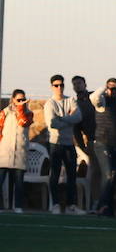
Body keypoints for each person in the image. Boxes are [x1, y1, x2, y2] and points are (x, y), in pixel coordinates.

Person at [43, 74, 83, 214]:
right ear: (52, 87)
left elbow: (78, 117)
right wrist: (69, 118)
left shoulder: (71, 100)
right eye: (56, 85)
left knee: (72, 175)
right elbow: (51, 124)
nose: (59, 88)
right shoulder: (50, 104)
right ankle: (55, 205)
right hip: (55, 143)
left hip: (69, 143)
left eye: (61, 85)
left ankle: (72, 205)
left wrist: (62, 118)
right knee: (54, 174)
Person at [91, 77, 116, 217]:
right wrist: (104, 88)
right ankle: (102, 205)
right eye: (111, 89)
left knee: (114, 176)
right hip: (102, 143)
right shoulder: (102, 103)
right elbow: (93, 97)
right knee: (108, 174)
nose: (114, 91)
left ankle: (108, 207)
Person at [0, 90, 33, 212]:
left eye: (23, 99)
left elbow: (23, 122)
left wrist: (21, 108)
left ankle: (18, 206)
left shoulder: (28, 113)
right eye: (18, 100)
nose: (21, 102)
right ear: (13, 99)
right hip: (4, 152)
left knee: (19, 182)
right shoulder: (4, 112)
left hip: (20, 152)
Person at [71, 75, 97, 207]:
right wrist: (83, 147)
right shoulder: (75, 104)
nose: (77, 86)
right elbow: (76, 129)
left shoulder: (94, 98)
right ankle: (94, 203)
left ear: (85, 84)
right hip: (92, 142)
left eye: (79, 83)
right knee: (94, 174)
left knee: (109, 173)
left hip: (106, 140)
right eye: (75, 84)